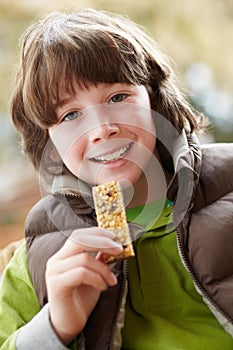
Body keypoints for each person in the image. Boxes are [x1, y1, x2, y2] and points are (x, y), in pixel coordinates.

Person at [0, 8, 233, 350]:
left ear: (153, 101)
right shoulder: (38, 255)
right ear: (48, 140)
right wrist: (55, 325)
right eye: (71, 115)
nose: (101, 129)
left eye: (118, 97)